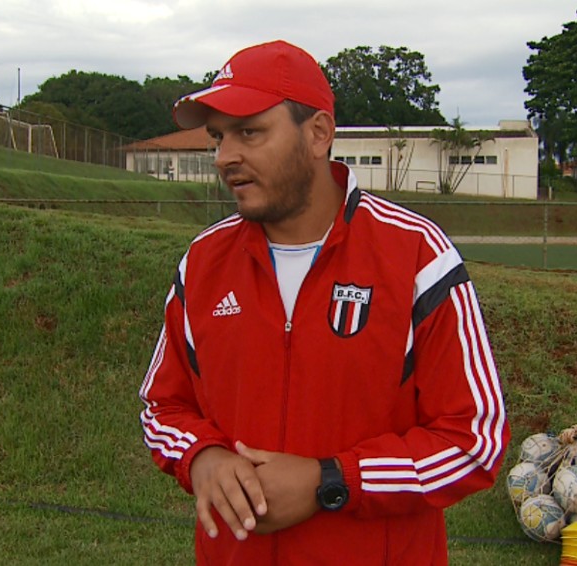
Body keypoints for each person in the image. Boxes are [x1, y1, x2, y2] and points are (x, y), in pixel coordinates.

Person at [139, 40, 509, 566]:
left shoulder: (417, 254)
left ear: (318, 134)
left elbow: (476, 439)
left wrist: (331, 481)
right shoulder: (202, 262)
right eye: (218, 137)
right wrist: (203, 457)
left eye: (250, 132)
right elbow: (163, 407)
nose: (225, 157)